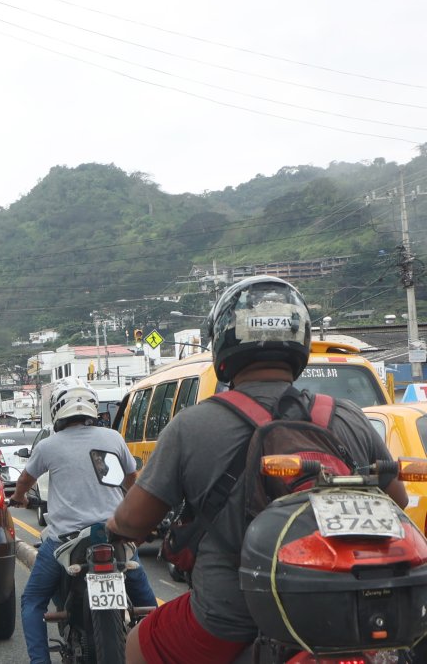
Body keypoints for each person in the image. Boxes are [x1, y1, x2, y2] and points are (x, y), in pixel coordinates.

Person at [107, 275, 408, 664]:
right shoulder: (347, 416)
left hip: (230, 617)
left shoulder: (191, 425)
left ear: (223, 344)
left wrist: (113, 528)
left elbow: (133, 522)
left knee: (137, 643)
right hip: (344, 608)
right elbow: (397, 502)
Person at [8, 377, 156, 664]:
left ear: (57, 410)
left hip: (65, 541)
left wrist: (19, 498)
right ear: (92, 407)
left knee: (33, 602)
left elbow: (25, 479)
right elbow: (132, 480)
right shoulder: (113, 438)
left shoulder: (48, 446)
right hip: (114, 536)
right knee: (147, 602)